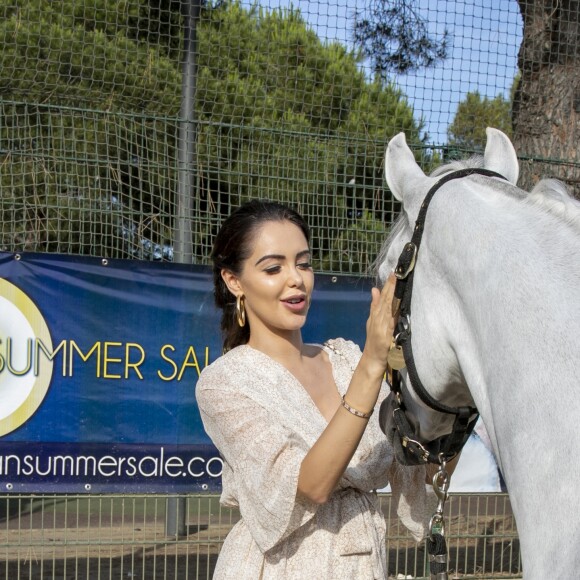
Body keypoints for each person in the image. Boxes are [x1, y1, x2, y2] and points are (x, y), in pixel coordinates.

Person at [196, 200, 433, 579]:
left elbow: (419, 463)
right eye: (274, 268)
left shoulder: (345, 361)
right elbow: (310, 484)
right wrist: (373, 365)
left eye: (303, 263)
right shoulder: (225, 382)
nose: (297, 279)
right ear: (233, 281)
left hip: (363, 561)